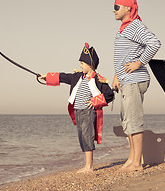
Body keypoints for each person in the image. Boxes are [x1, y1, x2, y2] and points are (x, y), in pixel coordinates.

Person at [40, 43, 114, 173]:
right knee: (81, 136)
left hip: (88, 112)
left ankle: (89, 166)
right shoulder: (77, 76)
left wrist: (96, 101)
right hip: (78, 111)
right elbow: (63, 77)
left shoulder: (98, 80)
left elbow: (109, 94)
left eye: (82, 63)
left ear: (90, 65)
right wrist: (46, 76)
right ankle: (87, 165)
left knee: (87, 136)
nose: (80, 65)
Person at [112, 0, 161, 172]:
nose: (114, 10)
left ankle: (137, 163)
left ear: (128, 9)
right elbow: (122, 56)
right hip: (126, 80)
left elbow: (154, 43)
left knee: (134, 121)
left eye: (117, 7)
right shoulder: (124, 28)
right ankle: (132, 159)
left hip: (135, 80)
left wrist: (139, 62)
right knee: (127, 122)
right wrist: (116, 76)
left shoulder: (135, 26)